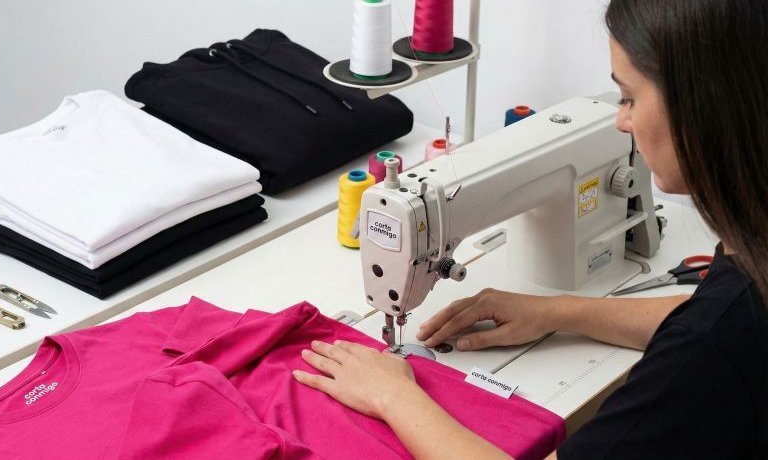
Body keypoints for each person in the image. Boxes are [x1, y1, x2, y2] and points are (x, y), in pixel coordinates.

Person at [292, 0, 768, 458]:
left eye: (629, 97)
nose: (621, 121)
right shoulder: (749, 262)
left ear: (701, 106)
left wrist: (394, 397)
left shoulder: (707, 352)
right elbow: (705, 313)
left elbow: (710, 333)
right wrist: (558, 310)